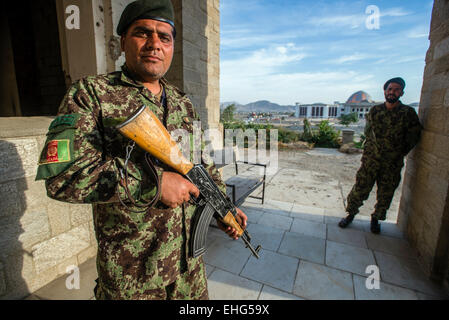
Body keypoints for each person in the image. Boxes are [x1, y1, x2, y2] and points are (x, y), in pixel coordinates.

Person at [35, 0, 247, 300]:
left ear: (172, 46)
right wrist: (153, 184)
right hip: (132, 278)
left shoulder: (182, 103)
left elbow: (204, 166)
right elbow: (61, 177)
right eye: (142, 33)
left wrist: (222, 206)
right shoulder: (90, 95)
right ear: (123, 40)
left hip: (189, 273)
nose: (154, 44)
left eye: (164, 37)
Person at [338, 77, 422, 234]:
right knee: (360, 188)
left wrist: (398, 152)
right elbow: (368, 132)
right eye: (390, 89)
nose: (392, 92)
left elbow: (413, 136)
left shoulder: (407, 113)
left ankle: (376, 218)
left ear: (401, 92)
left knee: (386, 192)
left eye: (396, 89)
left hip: (391, 163)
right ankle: (351, 214)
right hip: (371, 160)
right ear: (385, 92)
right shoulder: (375, 111)